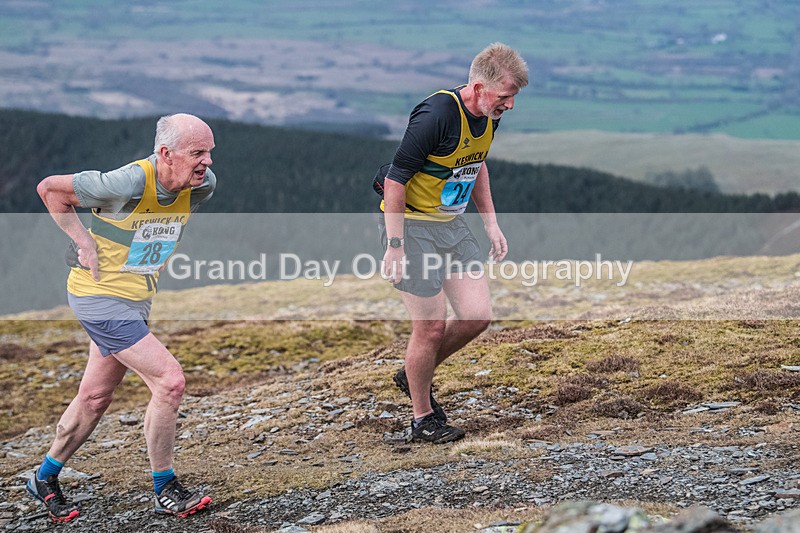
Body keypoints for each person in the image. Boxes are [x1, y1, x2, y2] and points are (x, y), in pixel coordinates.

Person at [28, 113, 216, 522]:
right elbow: (49, 190)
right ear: (165, 153)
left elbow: (156, 230)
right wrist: (82, 242)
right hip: (97, 296)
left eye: (210, 153)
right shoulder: (125, 182)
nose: (207, 162)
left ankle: (44, 477)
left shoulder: (202, 187)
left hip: (136, 300)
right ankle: (165, 487)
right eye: (197, 153)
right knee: (170, 381)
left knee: (95, 398)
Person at [380, 43, 528, 444]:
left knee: (477, 316)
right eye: (505, 96)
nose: (510, 105)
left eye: (514, 97)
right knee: (429, 327)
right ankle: (422, 418)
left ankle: (413, 375)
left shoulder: (488, 115)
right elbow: (395, 180)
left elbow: (475, 165)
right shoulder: (437, 114)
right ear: (479, 87)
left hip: (451, 226)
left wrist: (491, 225)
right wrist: (395, 246)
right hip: (412, 228)